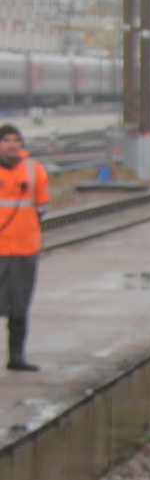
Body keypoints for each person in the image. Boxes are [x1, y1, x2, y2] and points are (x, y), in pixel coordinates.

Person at [0, 125, 49, 372]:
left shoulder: (34, 170)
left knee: (19, 306)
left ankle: (16, 357)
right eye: (6, 140)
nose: (12, 145)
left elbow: (42, 207)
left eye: (16, 140)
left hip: (23, 248)